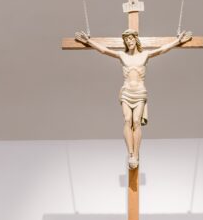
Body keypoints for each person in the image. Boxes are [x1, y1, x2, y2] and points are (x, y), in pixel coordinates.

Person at [75, 29, 193, 169]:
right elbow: (104, 51)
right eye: (126, 40)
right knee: (126, 120)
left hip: (139, 92)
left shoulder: (145, 55)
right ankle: (130, 153)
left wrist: (177, 41)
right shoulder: (122, 56)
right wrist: (89, 41)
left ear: (135, 40)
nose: (129, 42)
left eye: (131, 39)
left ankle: (136, 154)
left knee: (136, 121)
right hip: (126, 92)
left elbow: (161, 50)